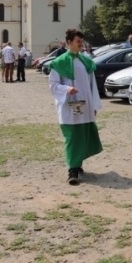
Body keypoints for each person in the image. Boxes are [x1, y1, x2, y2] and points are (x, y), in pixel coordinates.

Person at [48, 28, 103, 185]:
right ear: (69, 42)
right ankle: (72, 171)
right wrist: (67, 89)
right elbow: (53, 85)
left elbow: (92, 86)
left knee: (83, 134)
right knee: (72, 136)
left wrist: (94, 105)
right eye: (78, 41)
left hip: (85, 106)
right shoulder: (59, 63)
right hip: (68, 106)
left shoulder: (86, 62)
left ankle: (77, 163)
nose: (81, 44)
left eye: (82, 41)